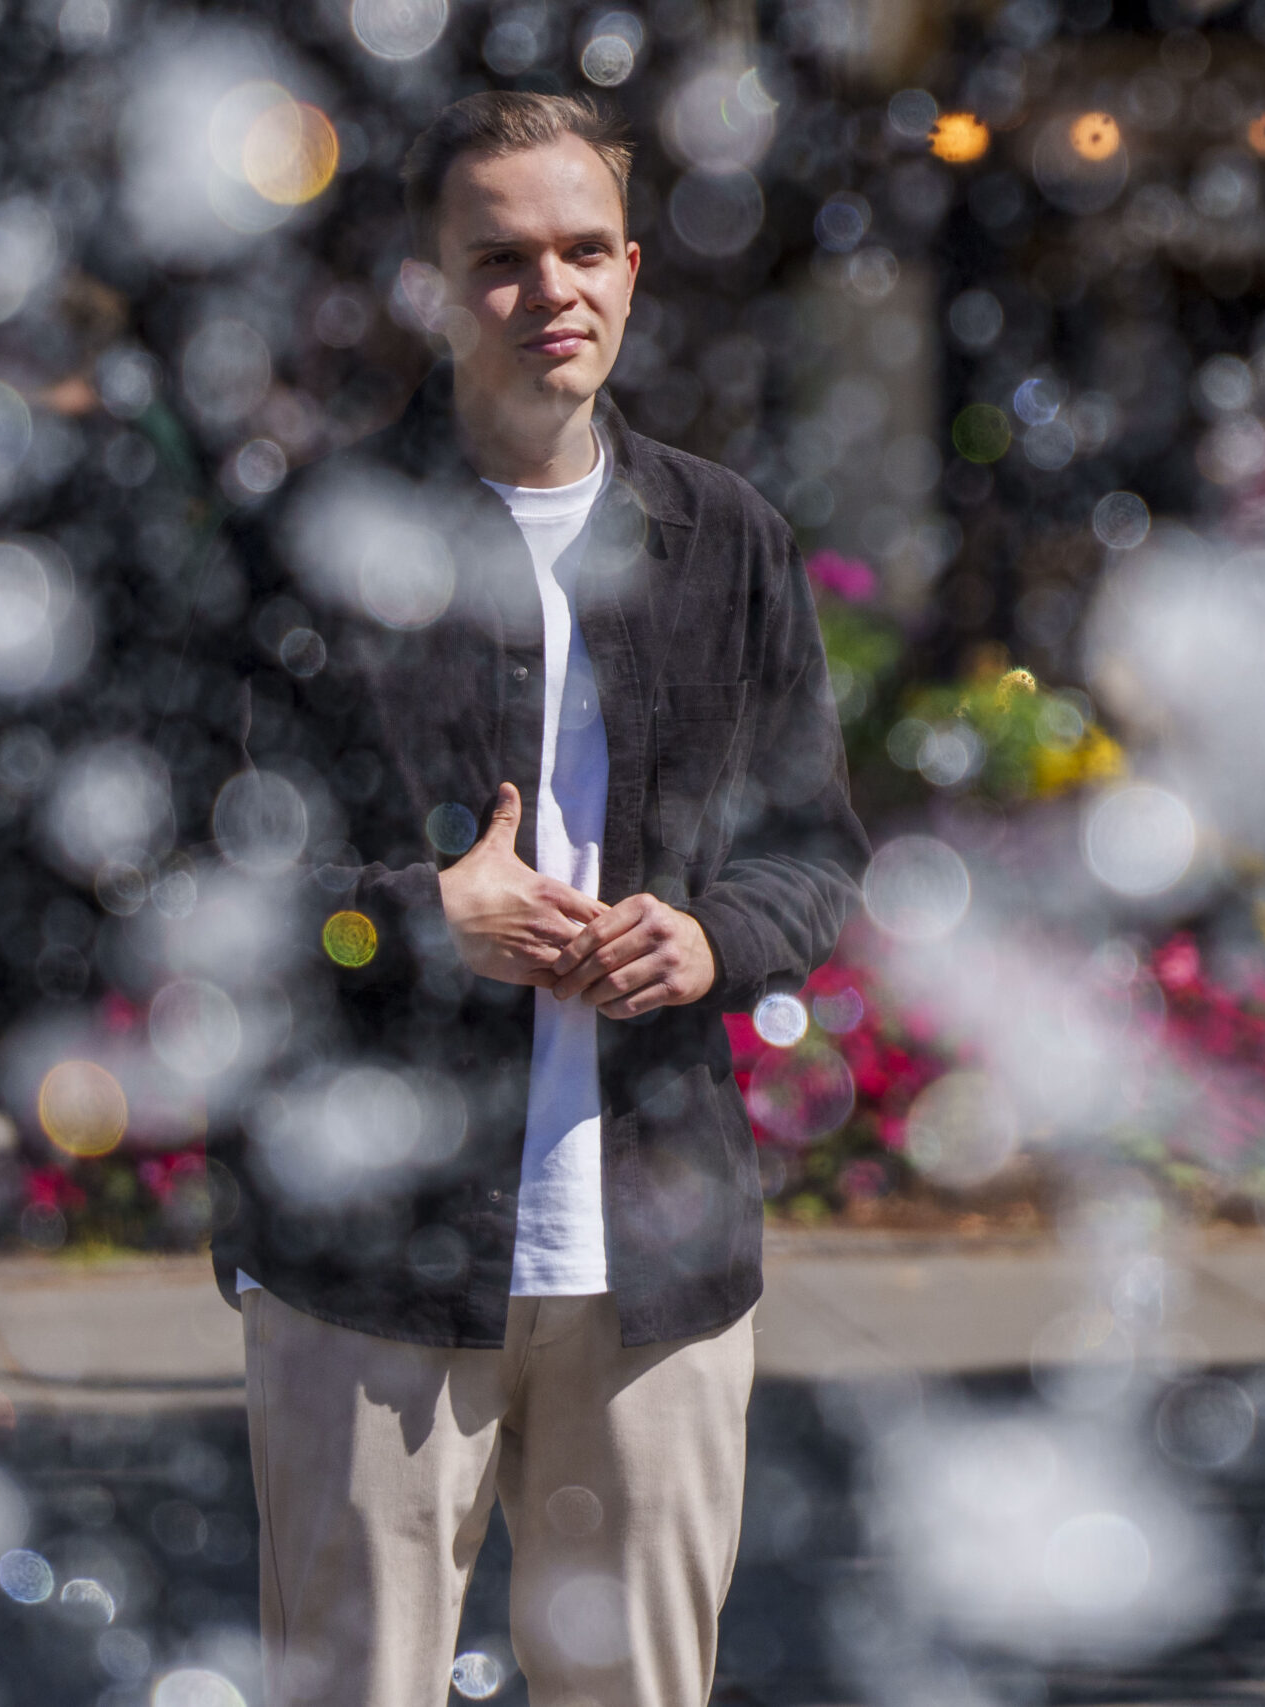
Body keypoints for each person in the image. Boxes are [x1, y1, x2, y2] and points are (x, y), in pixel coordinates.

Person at [207, 93, 868, 1706]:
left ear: (635, 271)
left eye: (584, 250)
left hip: (654, 1248)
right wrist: (410, 913)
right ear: (433, 289)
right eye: (500, 259)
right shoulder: (316, 544)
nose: (550, 291)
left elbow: (815, 851)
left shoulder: (726, 540)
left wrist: (715, 939)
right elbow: (198, 880)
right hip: (375, 1253)